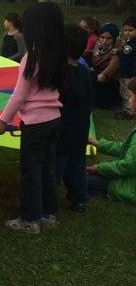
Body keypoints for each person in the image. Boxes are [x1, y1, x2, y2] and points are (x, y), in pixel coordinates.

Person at [0, 1, 66, 233]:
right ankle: (48, 215)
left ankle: (29, 219)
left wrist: (2, 120)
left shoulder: (31, 58)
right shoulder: (58, 56)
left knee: (31, 170)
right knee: (47, 167)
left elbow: (18, 96)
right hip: (54, 118)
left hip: (35, 123)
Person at [56, 24, 94, 212]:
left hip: (62, 130)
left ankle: (46, 196)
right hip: (80, 127)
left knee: (55, 165)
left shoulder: (59, 74)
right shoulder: (84, 72)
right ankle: (79, 199)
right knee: (76, 165)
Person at [86, 77, 136, 204]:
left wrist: (99, 168)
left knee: (80, 180)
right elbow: (125, 148)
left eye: (131, 97)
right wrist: (98, 143)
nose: (128, 101)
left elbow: (127, 166)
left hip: (129, 187)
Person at [91, 23, 121, 110]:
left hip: (111, 80)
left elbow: (114, 63)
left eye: (109, 38)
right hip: (98, 75)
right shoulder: (99, 45)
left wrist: (105, 74)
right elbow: (94, 55)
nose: (104, 41)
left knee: (92, 76)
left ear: (114, 39)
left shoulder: (117, 49)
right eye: (102, 37)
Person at [116, 17, 136, 117]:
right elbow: (125, 53)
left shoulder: (134, 44)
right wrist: (118, 51)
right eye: (125, 30)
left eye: (131, 30)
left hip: (130, 75)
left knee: (129, 93)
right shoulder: (128, 43)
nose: (127, 32)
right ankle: (125, 109)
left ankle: (129, 112)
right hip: (123, 73)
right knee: (123, 92)